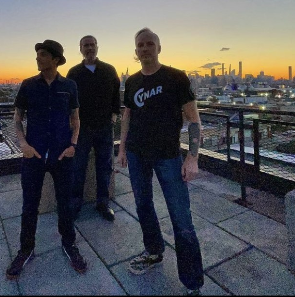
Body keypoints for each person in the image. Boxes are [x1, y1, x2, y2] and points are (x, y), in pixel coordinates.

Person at [117, 27, 204, 296]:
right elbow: (127, 116)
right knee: (143, 205)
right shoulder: (132, 82)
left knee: (181, 217)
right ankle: (154, 251)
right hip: (136, 154)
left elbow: (194, 119)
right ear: (135, 51)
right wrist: (122, 148)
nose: (145, 48)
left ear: (159, 47)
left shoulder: (176, 78)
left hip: (168, 155)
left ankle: (192, 282)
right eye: (140, 45)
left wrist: (192, 157)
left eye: (149, 44)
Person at [6, 39, 88, 280]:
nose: (37, 58)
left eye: (42, 54)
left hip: (62, 155)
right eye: (37, 54)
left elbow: (76, 119)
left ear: (55, 59)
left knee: (66, 203)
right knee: (29, 205)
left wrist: (73, 145)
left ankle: (69, 244)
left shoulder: (69, 86)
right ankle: (26, 249)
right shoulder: (28, 85)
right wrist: (23, 145)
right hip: (35, 155)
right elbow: (17, 119)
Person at [66, 35, 121, 221]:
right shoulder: (74, 73)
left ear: (97, 47)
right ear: (80, 49)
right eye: (85, 45)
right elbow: (68, 99)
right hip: (81, 129)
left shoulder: (109, 70)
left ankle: (103, 203)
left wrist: (114, 116)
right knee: (78, 166)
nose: (89, 48)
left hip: (104, 127)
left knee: (105, 166)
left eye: (92, 45)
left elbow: (116, 95)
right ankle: (75, 203)